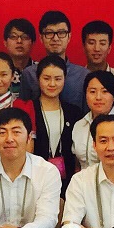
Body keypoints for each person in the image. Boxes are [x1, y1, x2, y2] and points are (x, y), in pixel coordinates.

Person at [72, 71, 114, 170]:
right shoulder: (79, 125)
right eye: (92, 92)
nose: (98, 97)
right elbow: (78, 165)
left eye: (105, 91)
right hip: (84, 179)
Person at [20, 10, 89, 110]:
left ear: (69, 37)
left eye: (61, 33)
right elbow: (24, 111)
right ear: (41, 38)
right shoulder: (29, 74)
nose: (55, 38)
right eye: (49, 33)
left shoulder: (83, 75)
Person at [31, 56, 83, 185]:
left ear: (65, 79)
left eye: (58, 79)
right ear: (38, 78)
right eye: (46, 78)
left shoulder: (74, 112)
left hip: (69, 182)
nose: (52, 84)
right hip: (35, 180)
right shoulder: (29, 109)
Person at [81, 20, 114, 97]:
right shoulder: (76, 79)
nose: (97, 49)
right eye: (91, 43)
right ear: (84, 47)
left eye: (102, 43)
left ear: (109, 48)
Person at [3, 18, 37, 94]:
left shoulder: (41, 70)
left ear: (33, 43)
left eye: (25, 37)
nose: (19, 41)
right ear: (5, 42)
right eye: (13, 37)